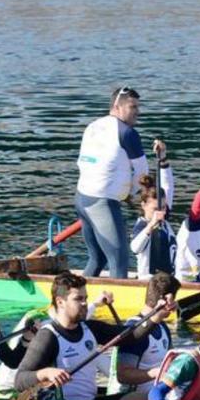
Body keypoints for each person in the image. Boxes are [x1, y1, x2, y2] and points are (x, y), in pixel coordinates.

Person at [14, 271, 172, 400]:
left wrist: (157, 316)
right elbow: (19, 380)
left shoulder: (91, 328)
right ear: (60, 302)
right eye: (78, 299)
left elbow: (130, 336)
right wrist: (46, 373)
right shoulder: (48, 336)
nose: (84, 303)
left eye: (85, 298)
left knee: (143, 399)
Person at [75, 86, 149, 279]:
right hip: (102, 204)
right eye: (133, 107)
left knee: (97, 258)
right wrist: (132, 194)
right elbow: (143, 173)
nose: (138, 113)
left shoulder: (92, 126)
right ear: (117, 106)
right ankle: (114, 306)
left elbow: (87, 163)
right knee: (119, 260)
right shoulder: (127, 133)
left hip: (82, 199)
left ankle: (73, 295)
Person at [109, 273, 181, 400]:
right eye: (174, 300)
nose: (176, 305)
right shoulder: (134, 330)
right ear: (166, 300)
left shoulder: (162, 325)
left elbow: (170, 361)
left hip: (156, 397)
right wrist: (154, 373)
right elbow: (123, 375)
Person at [129, 141, 175, 279]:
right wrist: (151, 226)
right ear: (143, 205)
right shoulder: (141, 226)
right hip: (149, 282)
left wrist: (163, 158)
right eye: (155, 209)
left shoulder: (163, 216)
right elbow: (135, 248)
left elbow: (168, 185)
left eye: (162, 207)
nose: (160, 212)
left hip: (168, 278)